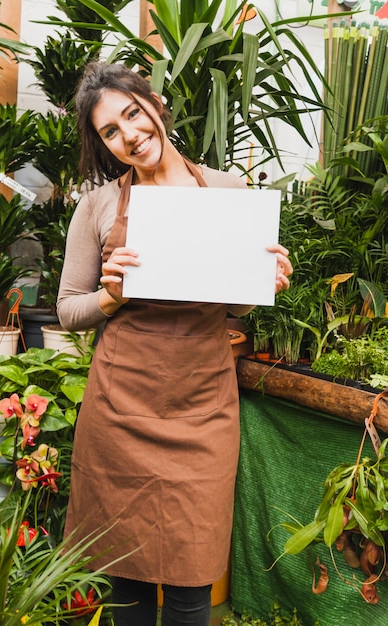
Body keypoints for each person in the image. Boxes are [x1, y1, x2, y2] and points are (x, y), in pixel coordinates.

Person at [57, 61, 293, 626]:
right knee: (127, 576)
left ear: (155, 105)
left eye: (132, 114)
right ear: (105, 145)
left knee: (193, 577)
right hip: (121, 407)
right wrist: (111, 296)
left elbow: (233, 305)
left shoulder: (227, 191)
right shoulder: (99, 206)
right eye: (110, 131)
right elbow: (69, 309)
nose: (129, 134)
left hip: (201, 406)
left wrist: (267, 282)